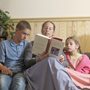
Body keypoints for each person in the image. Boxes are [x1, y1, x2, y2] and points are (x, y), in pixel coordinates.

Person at [0, 20, 32, 90]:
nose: (25, 37)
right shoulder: (4, 44)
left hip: (20, 73)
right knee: (1, 83)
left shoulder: (27, 45)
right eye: (24, 33)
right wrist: (3, 68)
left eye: (28, 35)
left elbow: (31, 59)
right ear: (17, 30)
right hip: (7, 72)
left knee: (19, 84)